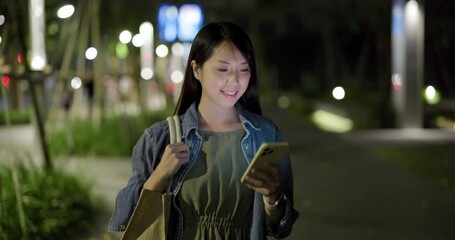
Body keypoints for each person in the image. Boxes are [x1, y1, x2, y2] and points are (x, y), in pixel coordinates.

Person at [108, 21, 299, 239]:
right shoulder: (159, 138)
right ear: (196, 69)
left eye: (244, 69)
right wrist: (160, 175)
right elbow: (130, 223)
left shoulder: (265, 134)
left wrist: (272, 197)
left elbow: (280, 229)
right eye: (222, 69)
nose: (234, 80)